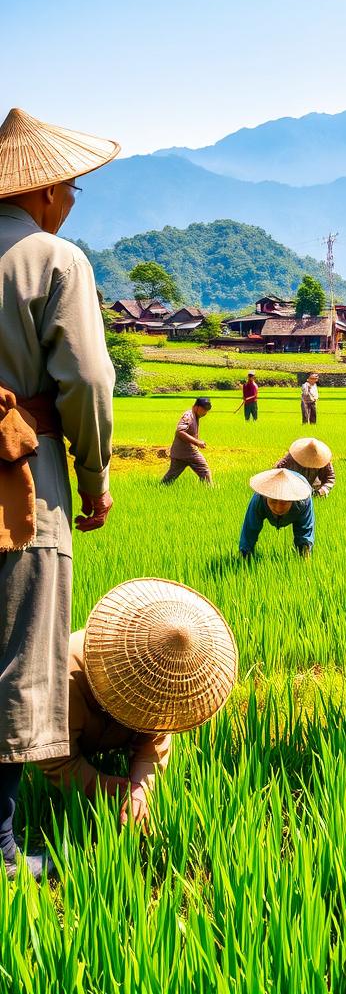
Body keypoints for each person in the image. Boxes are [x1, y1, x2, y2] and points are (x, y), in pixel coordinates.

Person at [0, 107, 118, 880]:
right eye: (69, 186)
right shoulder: (52, 258)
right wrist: (95, 475)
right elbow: (88, 381)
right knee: (16, 650)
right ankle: (1, 849)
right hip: (16, 480)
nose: (72, 197)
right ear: (41, 192)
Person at [36, 578, 236, 826]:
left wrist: (140, 788)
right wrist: (107, 786)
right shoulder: (61, 683)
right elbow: (54, 758)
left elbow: (155, 739)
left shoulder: (165, 682)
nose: (153, 708)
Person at [239, 468, 315, 558]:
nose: (278, 508)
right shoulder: (259, 499)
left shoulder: (303, 501)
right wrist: (244, 557)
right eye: (273, 501)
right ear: (266, 496)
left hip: (298, 484)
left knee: (303, 546)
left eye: (284, 502)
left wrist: (304, 560)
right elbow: (249, 530)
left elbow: (305, 532)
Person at [161, 397, 212, 484]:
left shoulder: (195, 415)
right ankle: (210, 490)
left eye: (207, 410)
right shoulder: (188, 416)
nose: (205, 413)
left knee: (170, 477)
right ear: (196, 407)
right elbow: (180, 431)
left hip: (180, 453)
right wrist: (197, 442)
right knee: (204, 470)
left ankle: (160, 489)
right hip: (188, 452)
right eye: (204, 410)